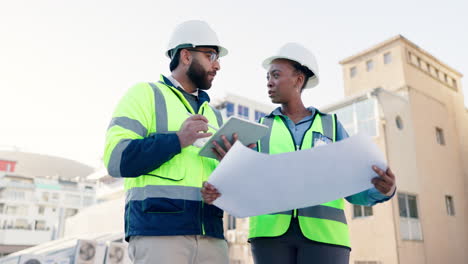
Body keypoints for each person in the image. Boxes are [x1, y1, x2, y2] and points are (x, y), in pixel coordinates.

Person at [201, 43, 397, 264]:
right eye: (267, 76)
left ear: (298, 80)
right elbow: (246, 184)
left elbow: (351, 186)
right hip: (269, 237)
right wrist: (221, 186)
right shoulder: (259, 129)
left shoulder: (331, 126)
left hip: (326, 237)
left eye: (276, 75)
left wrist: (383, 190)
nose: (269, 82)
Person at [103, 20, 232, 264]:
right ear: (185, 56)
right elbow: (116, 159)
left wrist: (229, 165)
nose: (217, 65)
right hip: (158, 234)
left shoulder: (214, 115)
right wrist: (177, 140)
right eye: (210, 55)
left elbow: (215, 182)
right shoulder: (144, 94)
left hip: (212, 235)